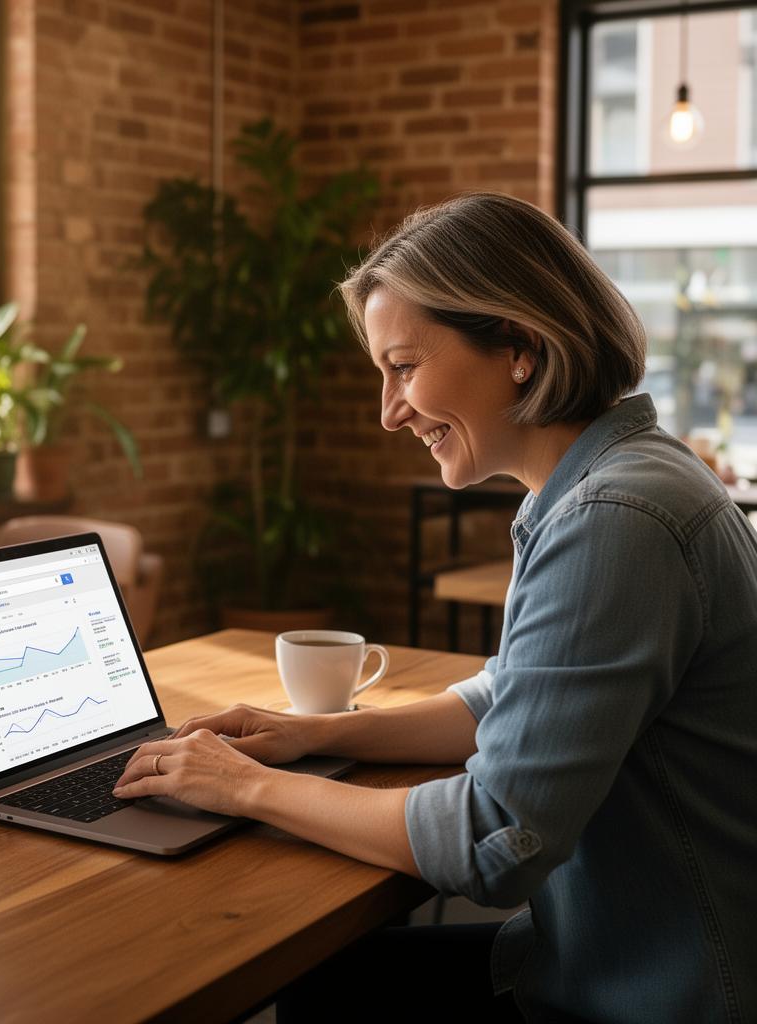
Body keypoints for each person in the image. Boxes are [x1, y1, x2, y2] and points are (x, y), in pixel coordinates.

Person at [112, 192, 757, 1023]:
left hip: (663, 993)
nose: (388, 412)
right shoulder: (612, 480)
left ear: (519, 345)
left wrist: (245, 788)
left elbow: (496, 839)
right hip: (608, 957)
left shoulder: (613, 519)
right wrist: (317, 732)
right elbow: (513, 696)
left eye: (404, 368)